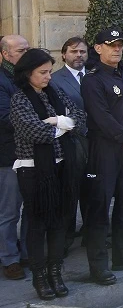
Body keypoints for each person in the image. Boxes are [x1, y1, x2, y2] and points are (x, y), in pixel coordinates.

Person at [10, 49, 85, 300]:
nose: (47, 77)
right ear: (27, 73)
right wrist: (61, 123)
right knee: (38, 223)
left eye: (49, 72)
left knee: (60, 221)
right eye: (42, 73)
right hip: (33, 169)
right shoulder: (20, 99)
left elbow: (80, 118)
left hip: (62, 165)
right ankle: (40, 277)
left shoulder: (56, 92)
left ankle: (56, 272)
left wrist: (56, 121)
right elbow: (36, 133)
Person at [83, 28, 123, 286]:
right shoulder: (92, 80)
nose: (117, 49)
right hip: (105, 150)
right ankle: (98, 266)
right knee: (99, 209)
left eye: (120, 45)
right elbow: (101, 117)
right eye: (111, 45)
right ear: (98, 48)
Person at [48, 37, 89, 255]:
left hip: (95, 142)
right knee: (69, 192)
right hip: (70, 142)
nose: (79, 55)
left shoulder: (93, 75)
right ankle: (64, 239)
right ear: (64, 54)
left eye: (83, 51)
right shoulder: (54, 80)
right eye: (74, 52)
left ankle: (90, 235)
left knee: (91, 190)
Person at [0, 35, 29, 281]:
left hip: (34, 154)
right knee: (10, 212)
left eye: (28, 49)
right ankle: (9, 258)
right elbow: (5, 118)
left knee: (33, 207)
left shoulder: (30, 76)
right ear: (6, 54)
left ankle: (28, 252)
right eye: (21, 50)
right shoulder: (2, 81)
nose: (26, 53)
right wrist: (39, 124)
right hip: (10, 156)